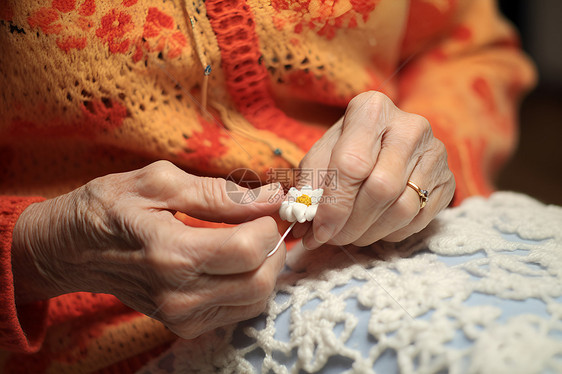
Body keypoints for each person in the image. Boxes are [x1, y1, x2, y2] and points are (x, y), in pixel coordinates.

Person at [0, 0, 535, 372]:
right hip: (101, 337)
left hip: (426, 245)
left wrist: (417, 146)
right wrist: (37, 251)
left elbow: (468, 45)